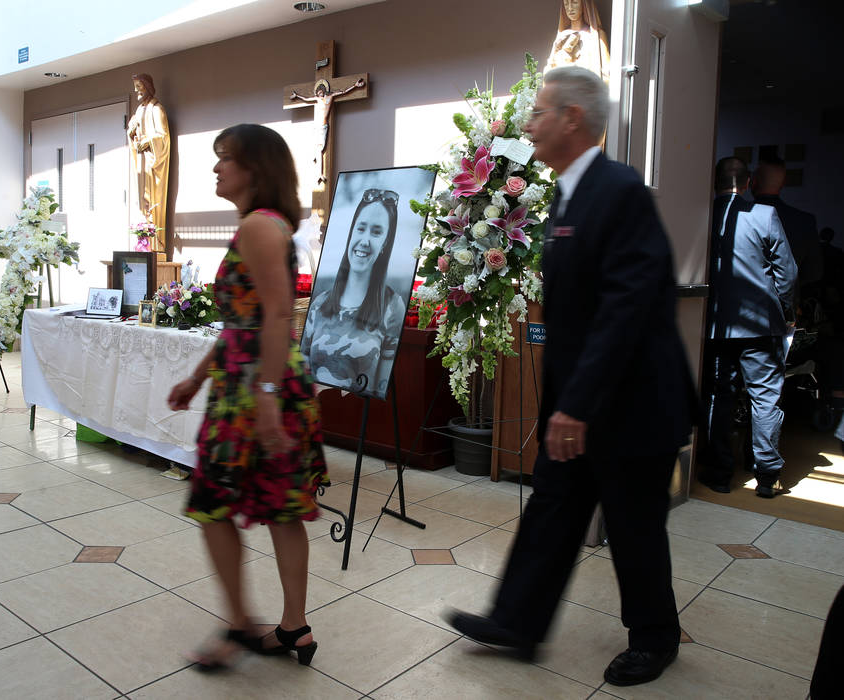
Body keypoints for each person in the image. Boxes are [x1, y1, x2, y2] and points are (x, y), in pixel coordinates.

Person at [445, 66, 696, 687]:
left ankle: (656, 637)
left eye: (537, 114)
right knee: (554, 507)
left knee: (634, 525)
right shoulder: (567, 194)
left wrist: (575, 404)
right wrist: (567, 403)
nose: (527, 127)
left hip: (633, 404)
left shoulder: (619, 190)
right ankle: (518, 621)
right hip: (584, 402)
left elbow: (625, 310)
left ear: (572, 119)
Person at [167, 123, 328, 671]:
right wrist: (196, 378)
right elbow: (246, 321)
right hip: (257, 381)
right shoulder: (267, 225)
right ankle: (293, 629)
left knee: (213, 504)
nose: (216, 169)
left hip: (257, 388)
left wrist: (262, 396)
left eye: (225, 159)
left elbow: (281, 315)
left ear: (255, 169)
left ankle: (240, 625)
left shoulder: (259, 227)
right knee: (280, 506)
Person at [702, 157, 796, 498]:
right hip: (760, 323)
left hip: (714, 325)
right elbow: (787, 272)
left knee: (717, 397)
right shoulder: (764, 215)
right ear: (747, 183)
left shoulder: (702, 215)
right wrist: (786, 311)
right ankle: (767, 477)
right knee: (765, 398)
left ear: (714, 182)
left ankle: (718, 474)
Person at [300, 188, 405, 397]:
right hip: (318, 412)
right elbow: (302, 372)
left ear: (385, 243)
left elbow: (380, 385)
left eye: (376, 232)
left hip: (359, 417)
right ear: (351, 232)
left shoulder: (392, 307)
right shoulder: (320, 304)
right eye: (361, 228)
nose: (365, 240)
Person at [752, 156, 821, 303]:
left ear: (753, 182)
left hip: (745, 303)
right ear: (783, 184)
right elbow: (814, 272)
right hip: (786, 307)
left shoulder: (740, 216)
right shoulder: (804, 221)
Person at [288, 77, 366, 184]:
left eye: (321, 91)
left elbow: (343, 92)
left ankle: (317, 164)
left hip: (324, 125)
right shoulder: (317, 99)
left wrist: (355, 86)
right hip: (317, 126)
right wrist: (297, 96)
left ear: (324, 91)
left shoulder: (330, 97)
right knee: (318, 149)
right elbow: (306, 99)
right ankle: (318, 171)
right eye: (318, 92)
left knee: (320, 149)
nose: (319, 93)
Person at [126, 73, 170, 253]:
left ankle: (154, 242)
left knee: (152, 199)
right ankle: (142, 241)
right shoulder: (139, 110)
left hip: (153, 162)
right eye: (135, 86)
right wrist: (133, 133)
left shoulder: (157, 109)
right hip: (142, 162)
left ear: (148, 86)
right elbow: (132, 130)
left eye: (139, 86)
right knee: (141, 200)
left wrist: (149, 141)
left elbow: (163, 136)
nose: (136, 90)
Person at [544, 0, 611, 84]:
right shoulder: (562, 36)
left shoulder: (597, 35)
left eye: (575, 2)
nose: (570, 8)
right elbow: (550, 69)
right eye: (566, 4)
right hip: (563, 90)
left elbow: (606, 72)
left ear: (584, 4)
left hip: (586, 89)